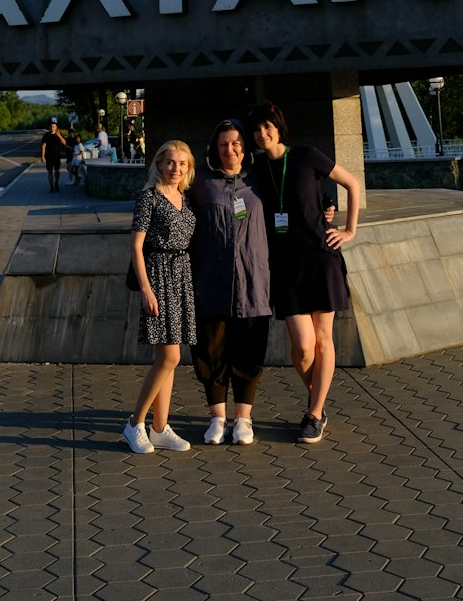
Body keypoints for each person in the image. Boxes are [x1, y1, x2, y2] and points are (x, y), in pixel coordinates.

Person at [246, 101, 360, 447]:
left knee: (323, 339)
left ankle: (314, 414)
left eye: (268, 126)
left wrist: (350, 230)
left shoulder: (307, 155)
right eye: (257, 129)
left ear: (279, 128)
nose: (263, 134)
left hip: (319, 257)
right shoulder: (256, 169)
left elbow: (352, 183)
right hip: (284, 264)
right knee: (302, 346)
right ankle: (318, 398)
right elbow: (242, 208)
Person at [189, 118, 270, 448]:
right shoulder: (201, 184)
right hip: (212, 279)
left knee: (249, 350)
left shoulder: (259, 180)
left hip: (254, 281)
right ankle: (217, 418)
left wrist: (327, 209)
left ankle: (244, 419)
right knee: (211, 349)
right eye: (223, 144)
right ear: (214, 148)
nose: (230, 149)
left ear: (245, 148)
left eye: (236, 143)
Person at [124, 140, 197, 456]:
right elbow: (136, 247)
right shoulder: (148, 199)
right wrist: (146, 288)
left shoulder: (185, 197)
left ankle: (159, 428)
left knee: (167, 360)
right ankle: (135, 423)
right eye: (170, 162)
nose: (176, 168)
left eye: (182, 164)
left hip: (182, 275)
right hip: (159, 275)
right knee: (170, 357)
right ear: (158, 164)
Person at [40, 118, 66, 192]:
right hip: (48, 157)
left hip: (57, 156)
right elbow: (43, 146)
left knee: (57, 171)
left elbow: (64, 143)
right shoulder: (46, 135)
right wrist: (42, 157)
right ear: (49, 127)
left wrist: (60, 136)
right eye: (51, 126)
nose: (52, 128)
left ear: (56, 127)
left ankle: (56, 182)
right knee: (50, 171)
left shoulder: (59, 134)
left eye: (53, 126)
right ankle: (51, 186)